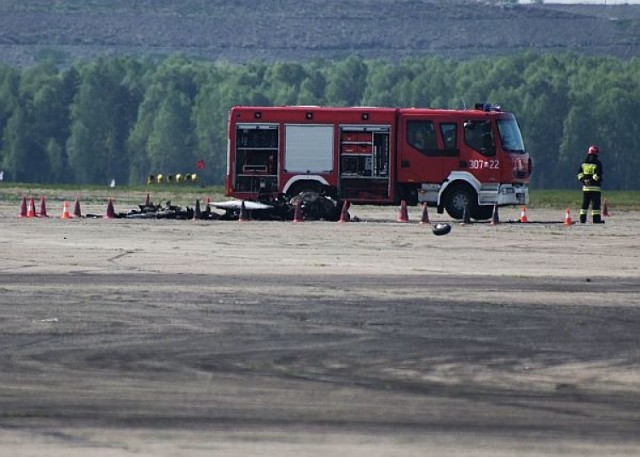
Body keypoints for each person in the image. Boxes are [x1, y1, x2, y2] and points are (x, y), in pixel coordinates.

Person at [577, 145, 604, 224]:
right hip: (595, 188)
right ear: (596, 153)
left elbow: (579, 174)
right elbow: (598, 174)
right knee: (595, 205)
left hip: (586, 188)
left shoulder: (583, 163)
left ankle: (582, 220)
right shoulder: (597, 163)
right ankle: (596, 220)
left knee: (584, 204)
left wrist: (584, 181)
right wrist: (591, 181)